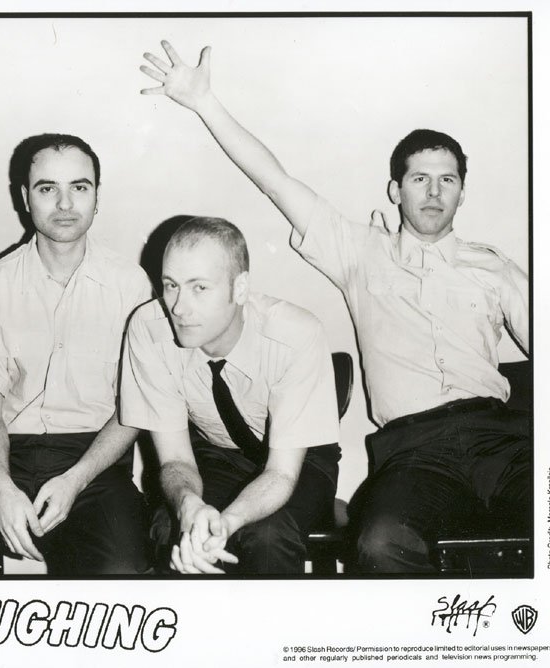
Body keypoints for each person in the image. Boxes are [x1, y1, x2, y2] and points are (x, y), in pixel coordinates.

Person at [139, 41, 530, 573]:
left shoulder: (495, 268)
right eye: (420, 179)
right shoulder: (360, 252)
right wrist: (205, 102)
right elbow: (276, 181)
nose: (434, 192)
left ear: (463, 192)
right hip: (414, 451)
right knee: (380, 544)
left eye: (448, 180)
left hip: (504, 439)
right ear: (395, 190)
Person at [0, 134, 151, 575]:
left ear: (97, 197)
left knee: (122, 570)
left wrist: (76, 479)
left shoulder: (131, 286)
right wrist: (0, 486)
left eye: (79, 187)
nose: (65, 203)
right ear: (25, 198)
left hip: (94, 458)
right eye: (47, 188)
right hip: (4, 453)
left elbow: (133, 408)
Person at [121, 217, 340, 574]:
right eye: (171, 285)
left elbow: (281, 473)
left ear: (239, 289)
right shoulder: (148, 329)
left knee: (267, 536)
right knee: (173, 530)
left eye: (199, 288)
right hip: (215, 452)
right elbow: (175, 459)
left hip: (297, 458)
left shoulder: (296, 334)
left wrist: (227, 521)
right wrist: (190, 505)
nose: (178, 308)